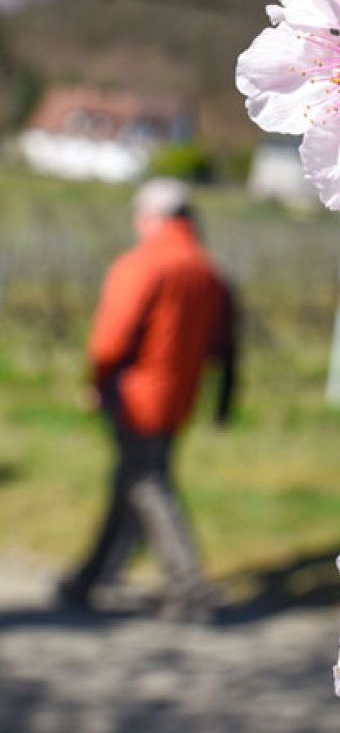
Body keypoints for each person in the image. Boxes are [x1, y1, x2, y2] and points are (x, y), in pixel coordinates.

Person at [58, 178, 237, 622]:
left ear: (153, 217)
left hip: (137, 397)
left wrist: (96, 381)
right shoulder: (209, 272)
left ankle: (190, 589)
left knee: (147, 486)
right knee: (133, 481)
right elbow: (225, 346)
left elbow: (110, 339)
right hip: (180, 400)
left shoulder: (142, 264)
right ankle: (91, 577)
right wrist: (223, 402)